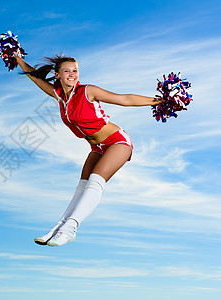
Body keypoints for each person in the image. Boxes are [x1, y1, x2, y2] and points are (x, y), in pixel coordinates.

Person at [13, 52, 163, 247]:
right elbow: (34, 77)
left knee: (94, 182)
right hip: (96, 147)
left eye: (75, 71)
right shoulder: (59, 95)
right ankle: (58, 227)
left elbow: (124, 99)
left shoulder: (88, 91)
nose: (72, 74)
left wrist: (160, 101)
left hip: (117, 142)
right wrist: (17, 58)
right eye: (66, 71)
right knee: (81, 188)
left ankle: (70, 228)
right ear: (57, 75)